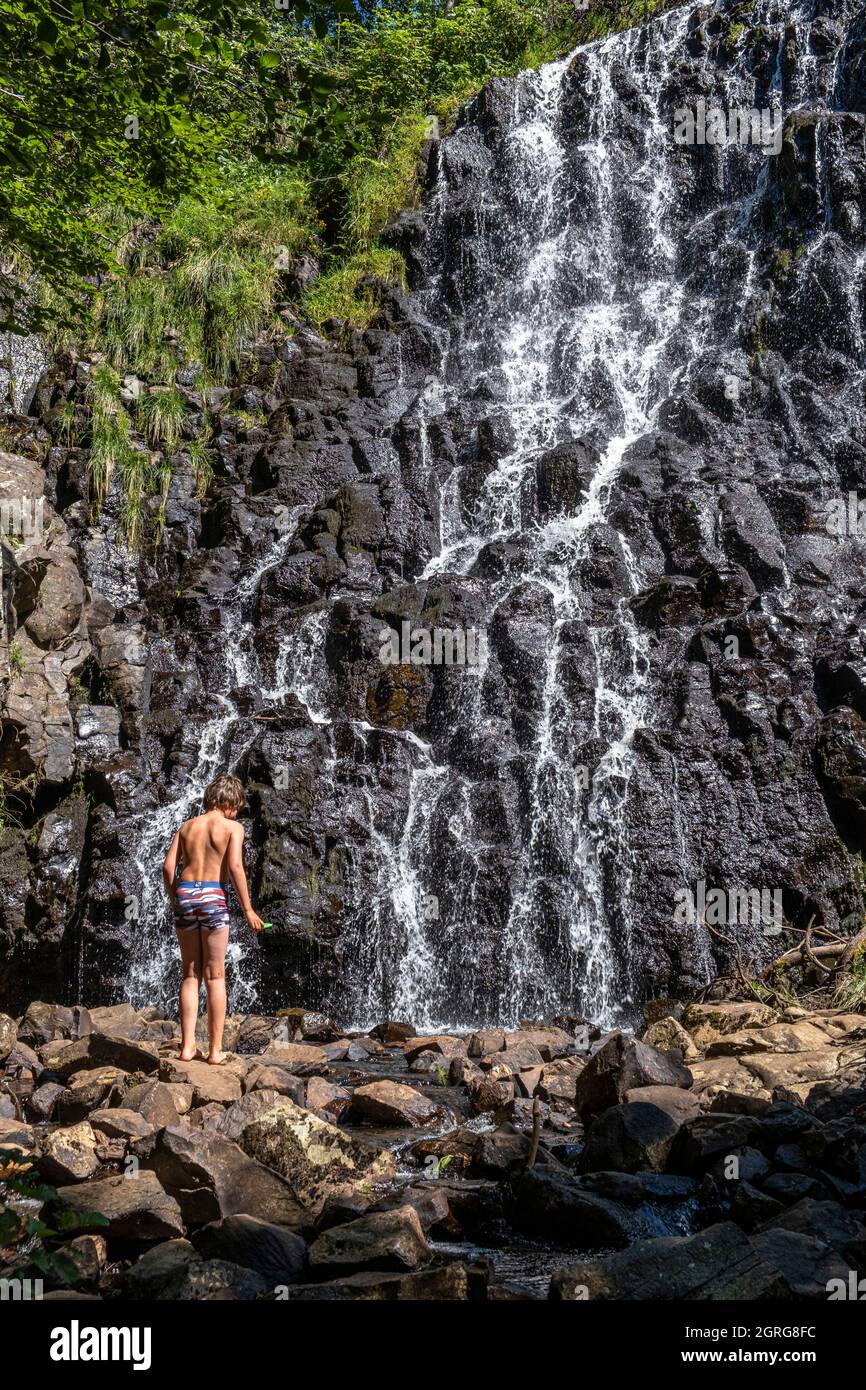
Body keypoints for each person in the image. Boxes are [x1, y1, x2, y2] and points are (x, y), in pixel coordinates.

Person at [162, 774, 264, 1065]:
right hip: (212, 896)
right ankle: (215, 1051)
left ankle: (187, 1047)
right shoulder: (232, 827)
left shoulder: (186, 827)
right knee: (215, 975)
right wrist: (248, 909)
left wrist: (175, 898)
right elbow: (234, 866)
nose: (237, 812)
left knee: (190, 975)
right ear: (228, 803)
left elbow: (168, 867)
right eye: (237, 807)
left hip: (185, 894)